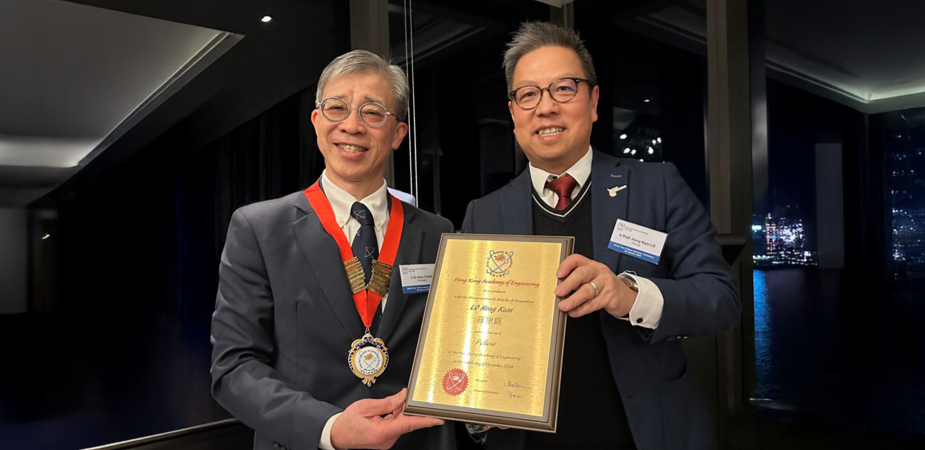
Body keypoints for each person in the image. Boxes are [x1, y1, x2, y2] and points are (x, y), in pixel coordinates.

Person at [461, 22, 740, 450]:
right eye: (529, 94)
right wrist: (475, 413)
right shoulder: (484, 214)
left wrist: (628, 296)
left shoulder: (657, 186)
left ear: (593, 101)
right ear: (514, 112)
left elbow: (721, 299)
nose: (546, 107)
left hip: (644, 434)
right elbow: (468, 340)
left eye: (564, 88)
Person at [211, 49, 455, 450]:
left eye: (373, 113)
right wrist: (329, 428)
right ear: (317, 121)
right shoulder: (258, 229)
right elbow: (234, 368)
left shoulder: (437, 233)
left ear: (397, 134)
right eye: (337, 108)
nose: (352, 126)